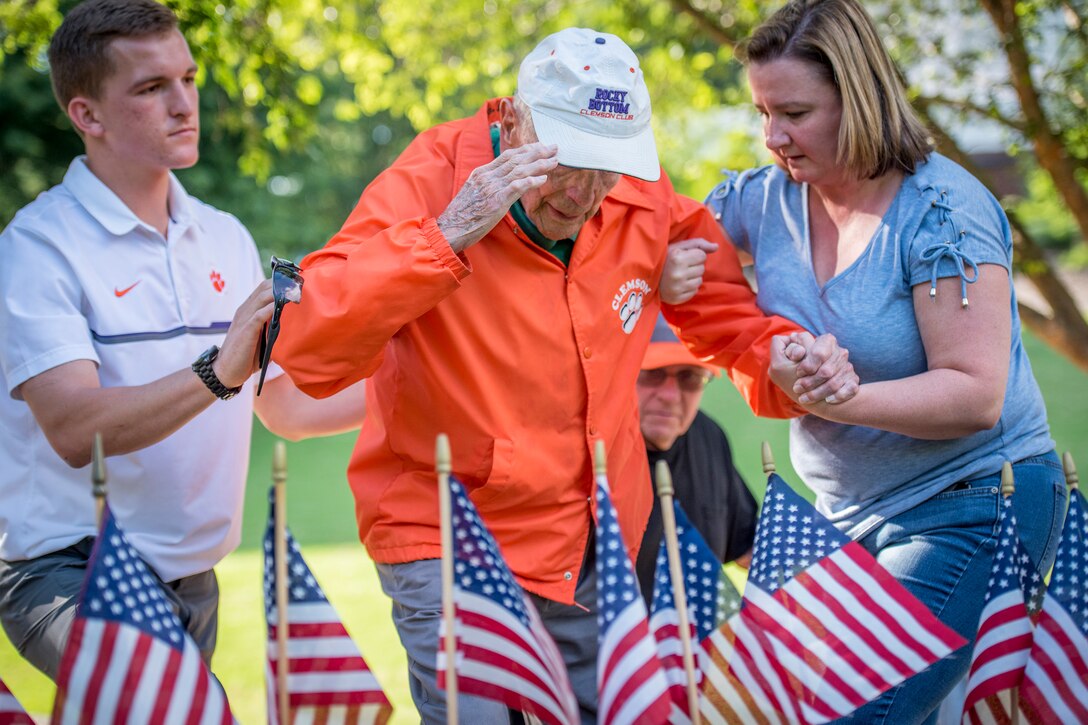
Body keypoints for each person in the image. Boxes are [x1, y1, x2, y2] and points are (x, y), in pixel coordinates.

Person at [273, 26, 858, 724]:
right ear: (516, 122)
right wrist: (446, 234)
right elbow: (308, 339)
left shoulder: (637, 191)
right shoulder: (431, 177)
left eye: (607, 171)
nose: (584, 195)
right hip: (445, 529)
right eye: (567, 163)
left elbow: (722, 307)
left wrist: (778, 354)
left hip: (589, 532)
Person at [663, 0, 1065, 720]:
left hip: (970, 504)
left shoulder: (942, 211)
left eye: (793, 112)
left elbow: (976, 396)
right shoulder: (765, 201)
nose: (771, 136)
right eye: (761, 111)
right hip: (840, 520)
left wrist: (832, 396)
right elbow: (654, 234)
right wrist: (666, 268)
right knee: (751, 707)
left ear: (860, 99)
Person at [0, 0, 364, 681]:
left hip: (192, 577)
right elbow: (75, 427)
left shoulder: (224, 235)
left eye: (188, 80)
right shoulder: (37, 248)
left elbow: (283, 406)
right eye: (150, 87)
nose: (183, 103)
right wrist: (216, 372)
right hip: (70, 570)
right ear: (88, 116)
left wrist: (424, 381)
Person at [634, 315, 755, 603]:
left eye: (690, 377)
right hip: (613, 643)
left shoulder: (708, 436)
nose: (670, 395)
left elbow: (750, 549)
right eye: (653, 373)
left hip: (692, 641)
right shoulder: (593, 446)